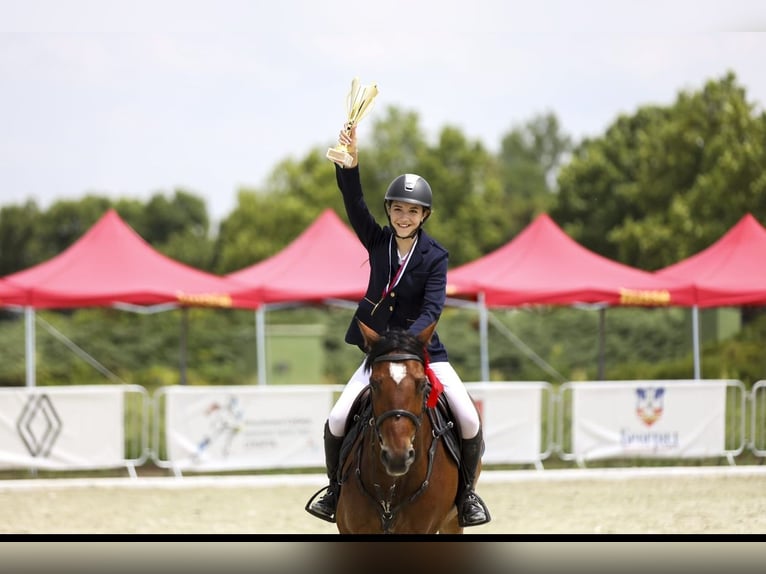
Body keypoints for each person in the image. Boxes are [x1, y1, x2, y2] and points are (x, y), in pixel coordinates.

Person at [305, 124, 490, 527]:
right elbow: (353, 203)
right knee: (338, 417)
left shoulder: (435, 256)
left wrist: (407, 341)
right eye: (398, 209)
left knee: (469, 419)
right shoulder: (377, 241)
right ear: (389, 211)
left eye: (413, 211)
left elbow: (432, 307)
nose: (404, 216)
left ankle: (467, 497)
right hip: (379, 356)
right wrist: (350, 166)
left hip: (424, 353)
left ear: (424, 216)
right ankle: (335, 491)